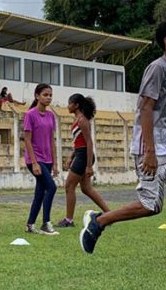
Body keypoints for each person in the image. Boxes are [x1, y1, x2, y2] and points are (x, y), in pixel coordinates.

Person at [79, 20, 166, 270]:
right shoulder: (156, 68)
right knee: (152, 206)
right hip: (149, 144)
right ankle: (99, 221)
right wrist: (149, 150)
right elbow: (145, 108)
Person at [57, 94, 111, 227]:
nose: (67, 106)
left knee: (69, 186)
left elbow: (89, 142)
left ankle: (69, 220)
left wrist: (88, 166)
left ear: (76, 105)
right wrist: (72, 155)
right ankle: (110, 214)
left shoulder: (82, 120)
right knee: (86, 188)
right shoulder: (78, 119)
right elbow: (78, 142)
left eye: (70, 103)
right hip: (80, 154)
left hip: (83, 156)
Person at [23, 83, 59, 235]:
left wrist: (55, 163)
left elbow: (52, 141)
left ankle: (30, 225)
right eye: (45, 95)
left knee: (40, 191)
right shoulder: (30, 115)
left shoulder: (51, 116)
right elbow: (27, 140)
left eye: (50, 95)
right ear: (37, 96)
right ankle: (46, 222)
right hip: (35, 159)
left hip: (48, 159)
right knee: (51, 187)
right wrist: (35, 162)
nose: (48, 97)